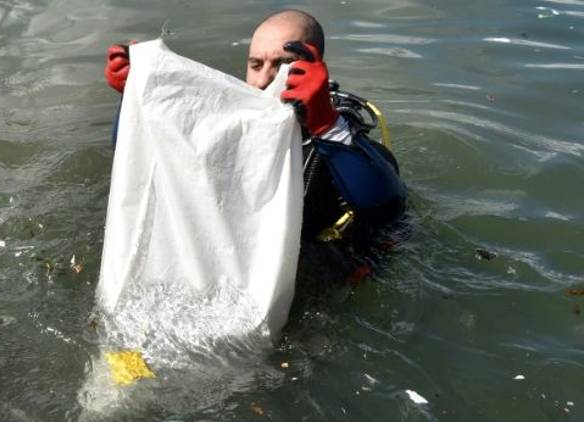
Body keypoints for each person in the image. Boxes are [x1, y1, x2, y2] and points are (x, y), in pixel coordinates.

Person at [103, 10, 406, 266]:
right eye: (256, 65)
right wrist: (135, 104)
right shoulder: (226, 123)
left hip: (318, 267)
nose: (263, 81)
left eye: (282, 64)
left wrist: (326, 123)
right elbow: (142, 168)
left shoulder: (337, 130)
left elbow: (388, 208)